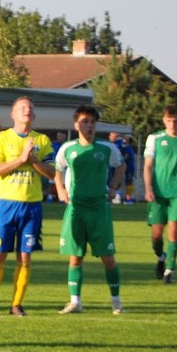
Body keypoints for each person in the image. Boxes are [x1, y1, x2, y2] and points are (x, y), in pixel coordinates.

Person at [0, 96, 56, 316]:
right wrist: (20, 159)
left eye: (30, 107)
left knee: (25, 256)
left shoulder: (43, 140)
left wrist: (34, 160)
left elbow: (52, 173)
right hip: (6, 205)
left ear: (34, 115)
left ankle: (16, 305)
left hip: (31, 206)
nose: (26, 110)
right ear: (13, 114)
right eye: (22, 107)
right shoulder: (1, 139)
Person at [55, 105, 125, 314]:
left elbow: (120, 166)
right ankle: (75, 302)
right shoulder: (68, 148)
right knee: (75, 257)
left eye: (93, 122)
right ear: (77, 124)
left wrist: (113, 187)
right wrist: (60, 190)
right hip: (76, 209)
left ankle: (116, 302)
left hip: (99, 209)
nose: (90, 125)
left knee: (108, 258)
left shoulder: (106, 149)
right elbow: (58, 169)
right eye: (85, 121)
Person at [144, 105, 177, 284]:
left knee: (173, 232)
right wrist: (148, 188)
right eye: (169, 120)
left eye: (175, 120)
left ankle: (169, 271)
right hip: (158, 192)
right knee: (156, 237)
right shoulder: (154, 138)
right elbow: (148, 165)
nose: (172, 123)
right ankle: (161, 257)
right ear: (164, 120)